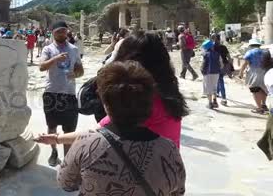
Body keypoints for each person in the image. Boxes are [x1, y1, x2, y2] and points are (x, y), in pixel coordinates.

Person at [37, 32, 189, 148]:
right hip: (169, 175)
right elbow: (101, 129)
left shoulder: (140, 99)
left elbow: (98, 133)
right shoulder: (168, 91)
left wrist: (57, 139)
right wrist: (57, 139)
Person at [56, 61, 186, 195]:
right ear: (149, 102)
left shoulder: (86, 143)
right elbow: (178, 191)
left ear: (105, 103)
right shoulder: (169, 150)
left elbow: (65, 183)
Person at [39, 21, 84, 166]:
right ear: (53, 32)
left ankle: (67, 161)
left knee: (69, 129)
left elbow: (80, 69)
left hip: (69, 93)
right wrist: (56, 58)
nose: (62, 34)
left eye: (64, 31)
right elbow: (41, 67)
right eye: (59, 31)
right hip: (52, 92)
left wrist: (76, 74)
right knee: (52, 126)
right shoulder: (48, 49)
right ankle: (53, 151)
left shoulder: (74, 49)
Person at [239, 39, 268, 114]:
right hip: (265, 72)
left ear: (251, 45)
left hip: (254, 72)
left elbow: (245, 64)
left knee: (255, 90)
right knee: (263, 89)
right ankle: (264, 104)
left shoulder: (250, 52)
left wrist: (241, 73)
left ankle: (259, 108)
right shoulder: (265, 52)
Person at [201, 39, 223, 109]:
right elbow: (221, 64)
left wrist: (202, 71)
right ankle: (215, 101)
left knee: (208, 88)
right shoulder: (217, 54)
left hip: (208, 73)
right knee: (214, 87)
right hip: (216, 73)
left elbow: (203, 64)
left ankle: (210, 103)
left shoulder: (205, 54)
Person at [213, 34, 232, 106]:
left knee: (220, 80)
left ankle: (224, 98)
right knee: (219, 79)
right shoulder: (224, 47)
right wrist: (230, 66)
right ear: (219, 39)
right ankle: (218, 92)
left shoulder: (212, 47)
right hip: (224, 66)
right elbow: (229, 57)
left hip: (216, 66)